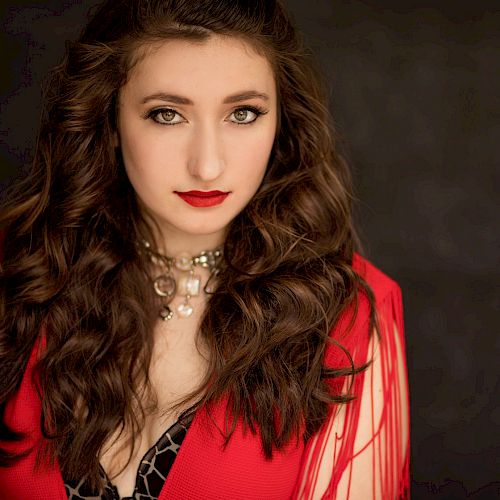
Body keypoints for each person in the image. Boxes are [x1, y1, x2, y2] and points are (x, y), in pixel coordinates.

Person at [0, 0, 410, 498]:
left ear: (282, 121)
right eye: (167, 114)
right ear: (107, 117)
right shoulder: (18, 274)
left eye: (243, 113)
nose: (208, 165)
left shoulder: (351, 318)